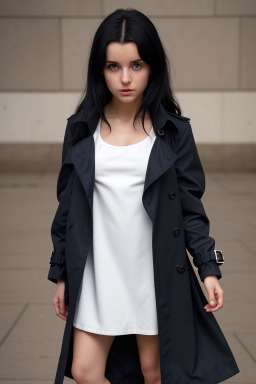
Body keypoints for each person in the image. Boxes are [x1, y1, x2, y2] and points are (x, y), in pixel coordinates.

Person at [48, 8, 239, 384]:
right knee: (84, 371)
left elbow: (190, 206)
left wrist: (209, 267)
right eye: (113, 66)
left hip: (151, 272)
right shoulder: (82, 128)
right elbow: (67, 208)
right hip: (99, 270)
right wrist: (61, 273)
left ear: (152, 67)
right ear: (99, 70)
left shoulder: (173, 133)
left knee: (155, 372)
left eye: (136, 65)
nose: (124, 78)